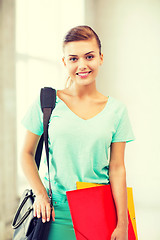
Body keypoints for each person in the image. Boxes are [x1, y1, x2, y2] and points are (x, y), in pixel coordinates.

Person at [21, 25, 135, 240]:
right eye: (73, 59)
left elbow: (117, 168)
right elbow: (26, 154)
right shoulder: (47, 102)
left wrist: (122, 224)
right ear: (64, 62)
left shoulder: (117, 111)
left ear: (101, 58)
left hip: (100, 212)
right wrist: (41, 196)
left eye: (89, 56)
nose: (82, 65)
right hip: (53, 213)